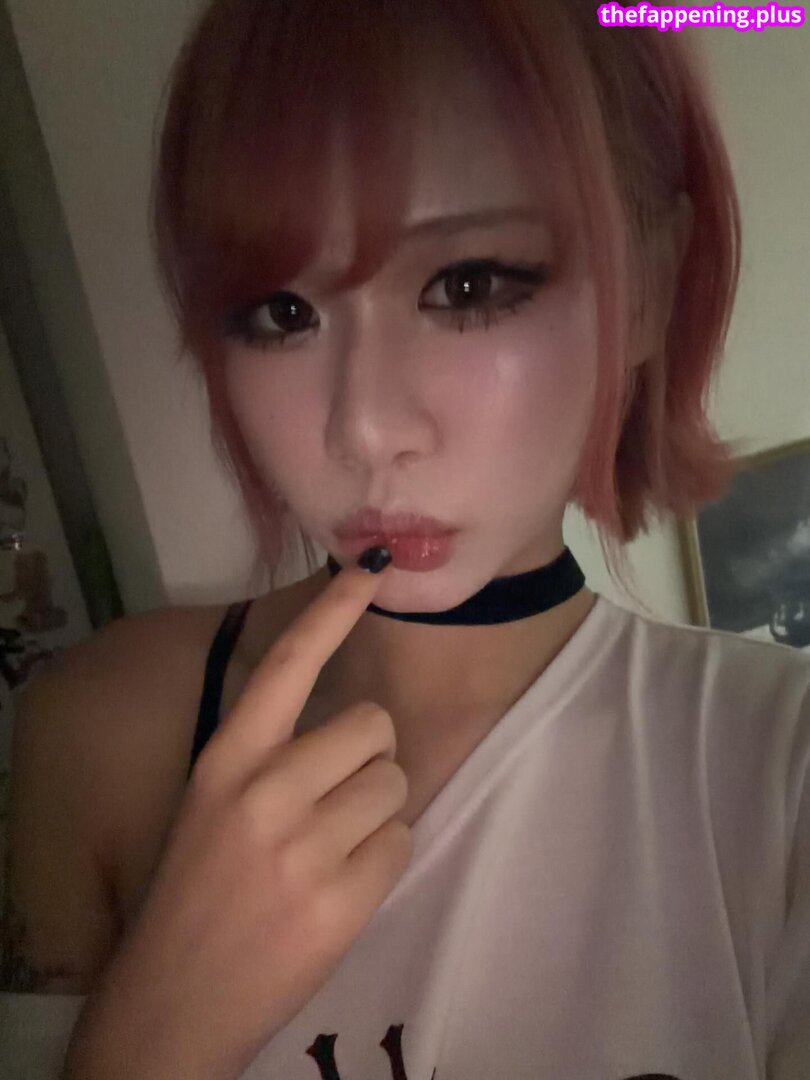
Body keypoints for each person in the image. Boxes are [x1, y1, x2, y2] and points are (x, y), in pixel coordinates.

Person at [2, 1, 809, 1077]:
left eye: (467, 285)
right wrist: (150, 1040)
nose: (363, 429)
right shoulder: (97, 736)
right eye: (282, 312)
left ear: (649, 287)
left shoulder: (778, 775)